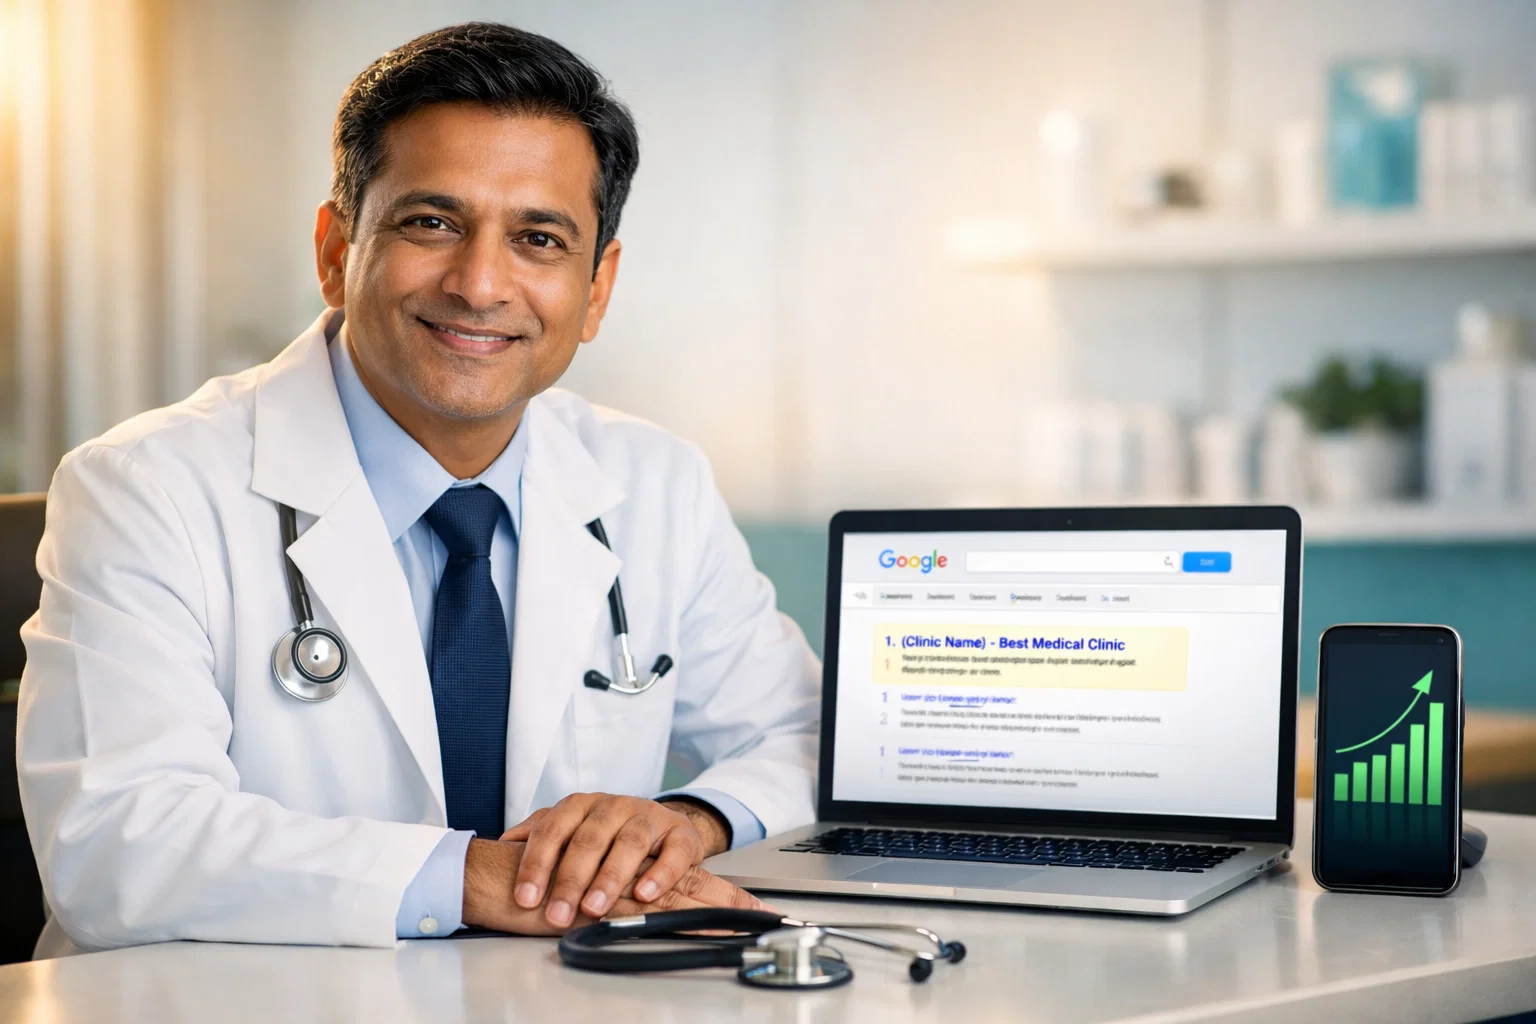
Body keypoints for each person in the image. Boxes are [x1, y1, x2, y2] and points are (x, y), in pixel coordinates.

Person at [17, 22, 818, 955]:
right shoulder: (145, 488)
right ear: (335, 248)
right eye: (431, 222)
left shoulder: (656, 482)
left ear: (596, 289)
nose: (481, 284)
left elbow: (811, 741)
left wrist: (684, 821)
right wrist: (481, 877)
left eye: (539, 239)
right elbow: (116, 842)